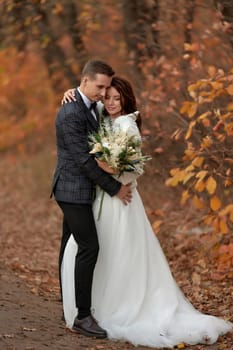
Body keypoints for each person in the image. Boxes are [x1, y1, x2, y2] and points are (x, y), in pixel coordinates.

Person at [61, 77, 232, 348]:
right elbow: (83, 99)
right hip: (101, 198)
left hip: (121, 199)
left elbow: (133, 168)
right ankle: (87, 307)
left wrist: (110, 170)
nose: (113, 103)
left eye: (118, 99)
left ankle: (118, 307)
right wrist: (71, 91)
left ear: (126, 100)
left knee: (120, 255)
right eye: (109, 98)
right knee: (92, 250)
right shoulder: (100, 116)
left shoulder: (128, 126)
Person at [50, 61, 133, 339]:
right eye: (99, 87)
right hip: (72, 190)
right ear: (85, 82)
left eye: (107, 87)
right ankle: (82, 316)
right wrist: (114, 188)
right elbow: (84, 161)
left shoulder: (89, 105)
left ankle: (69, 305)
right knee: (89, 247)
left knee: (69, 245)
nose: (103, 92)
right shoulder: (72, 112)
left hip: (79, 189)